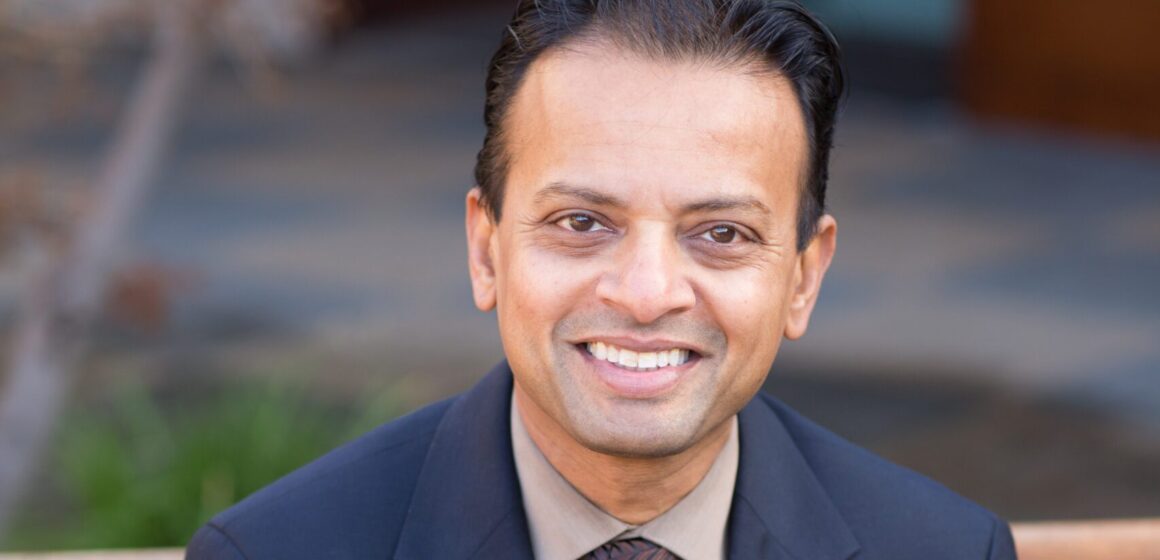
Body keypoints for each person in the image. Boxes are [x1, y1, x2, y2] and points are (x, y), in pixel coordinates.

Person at [187, 1, 1016, 558]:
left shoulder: (942, 548)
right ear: (487, 249)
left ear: (803, 277)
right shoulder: (278, 552)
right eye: (583, 223)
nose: (647, 293)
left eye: (721, 233)